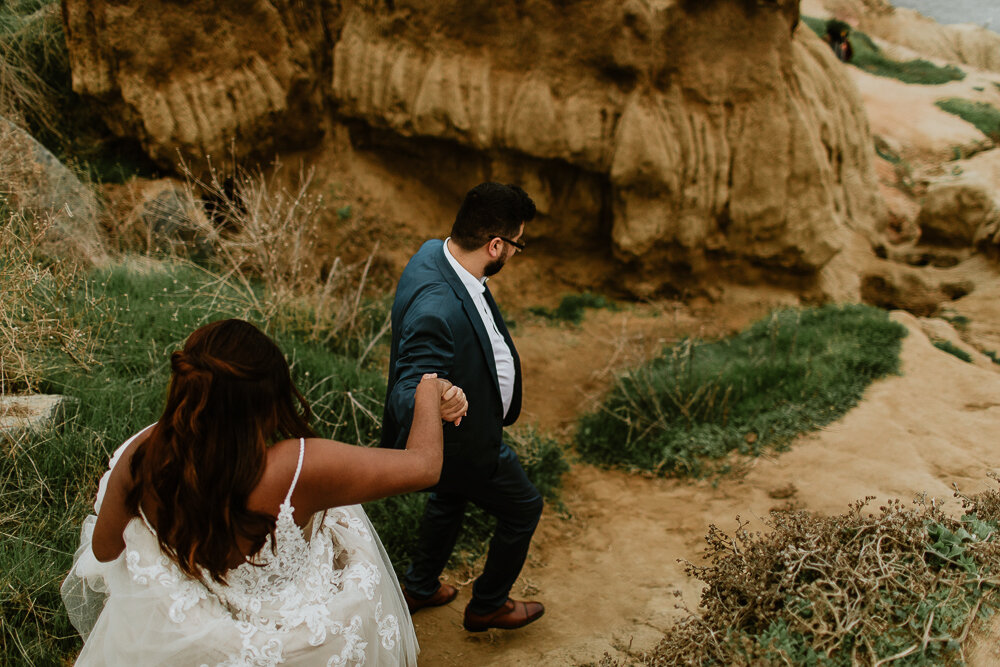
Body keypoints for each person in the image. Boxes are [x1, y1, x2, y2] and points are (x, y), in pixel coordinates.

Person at [61, 318, 467, 665]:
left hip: (204, 642)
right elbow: (424, 467)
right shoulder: (296, 469)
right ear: (266, 399)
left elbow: (104, 551)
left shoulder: (143, 456)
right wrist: (428, 391)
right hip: (304, 644)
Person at [380, 182, 545, 633]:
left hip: (456, 446)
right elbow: (405, 391)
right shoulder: (437, 305)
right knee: (524, 507)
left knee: (449, 496)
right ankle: (488, 604)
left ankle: (419, 585)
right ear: (496, 244)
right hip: (467, 439)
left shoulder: (437, 252)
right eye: (516, 244)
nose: (514, 253)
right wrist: (440, 397)